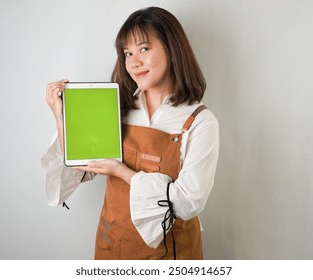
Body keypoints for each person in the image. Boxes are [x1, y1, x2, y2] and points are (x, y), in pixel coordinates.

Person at [42, 6, 219, 260]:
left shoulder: (200, 121)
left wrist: (121, 172)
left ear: (172, 48)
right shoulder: (119, 110)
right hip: (112, 247)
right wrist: (61, 117)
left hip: (169, 255)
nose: (134, 62)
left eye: (144, 49)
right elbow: (80, 170)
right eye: (128, 53)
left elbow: (187, 202)